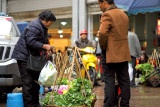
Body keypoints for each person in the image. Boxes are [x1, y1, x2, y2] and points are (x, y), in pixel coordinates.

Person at [12, 10, 56, 107]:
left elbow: (41, 41)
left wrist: (47, 50)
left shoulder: (42, 27)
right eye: (51, 22)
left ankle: (35, 104)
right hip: (24, 57)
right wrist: (45, 46)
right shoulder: (35, 26)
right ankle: (29, 105)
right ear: (45, 19)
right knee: (28, 83)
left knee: (36, 82)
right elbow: (30, 42)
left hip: (32, 59)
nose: (51, 24)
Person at [97, 0, 131, 107]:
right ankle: (125, 104)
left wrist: (102, 45)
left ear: (105, 2)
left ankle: (109, 104)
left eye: (99, 4)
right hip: (124, 53)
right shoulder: (124, 14)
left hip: (110, 53)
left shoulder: (107, 14)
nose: (100, 6)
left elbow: (102, 33)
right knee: (124, 80)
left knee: (109, 80)